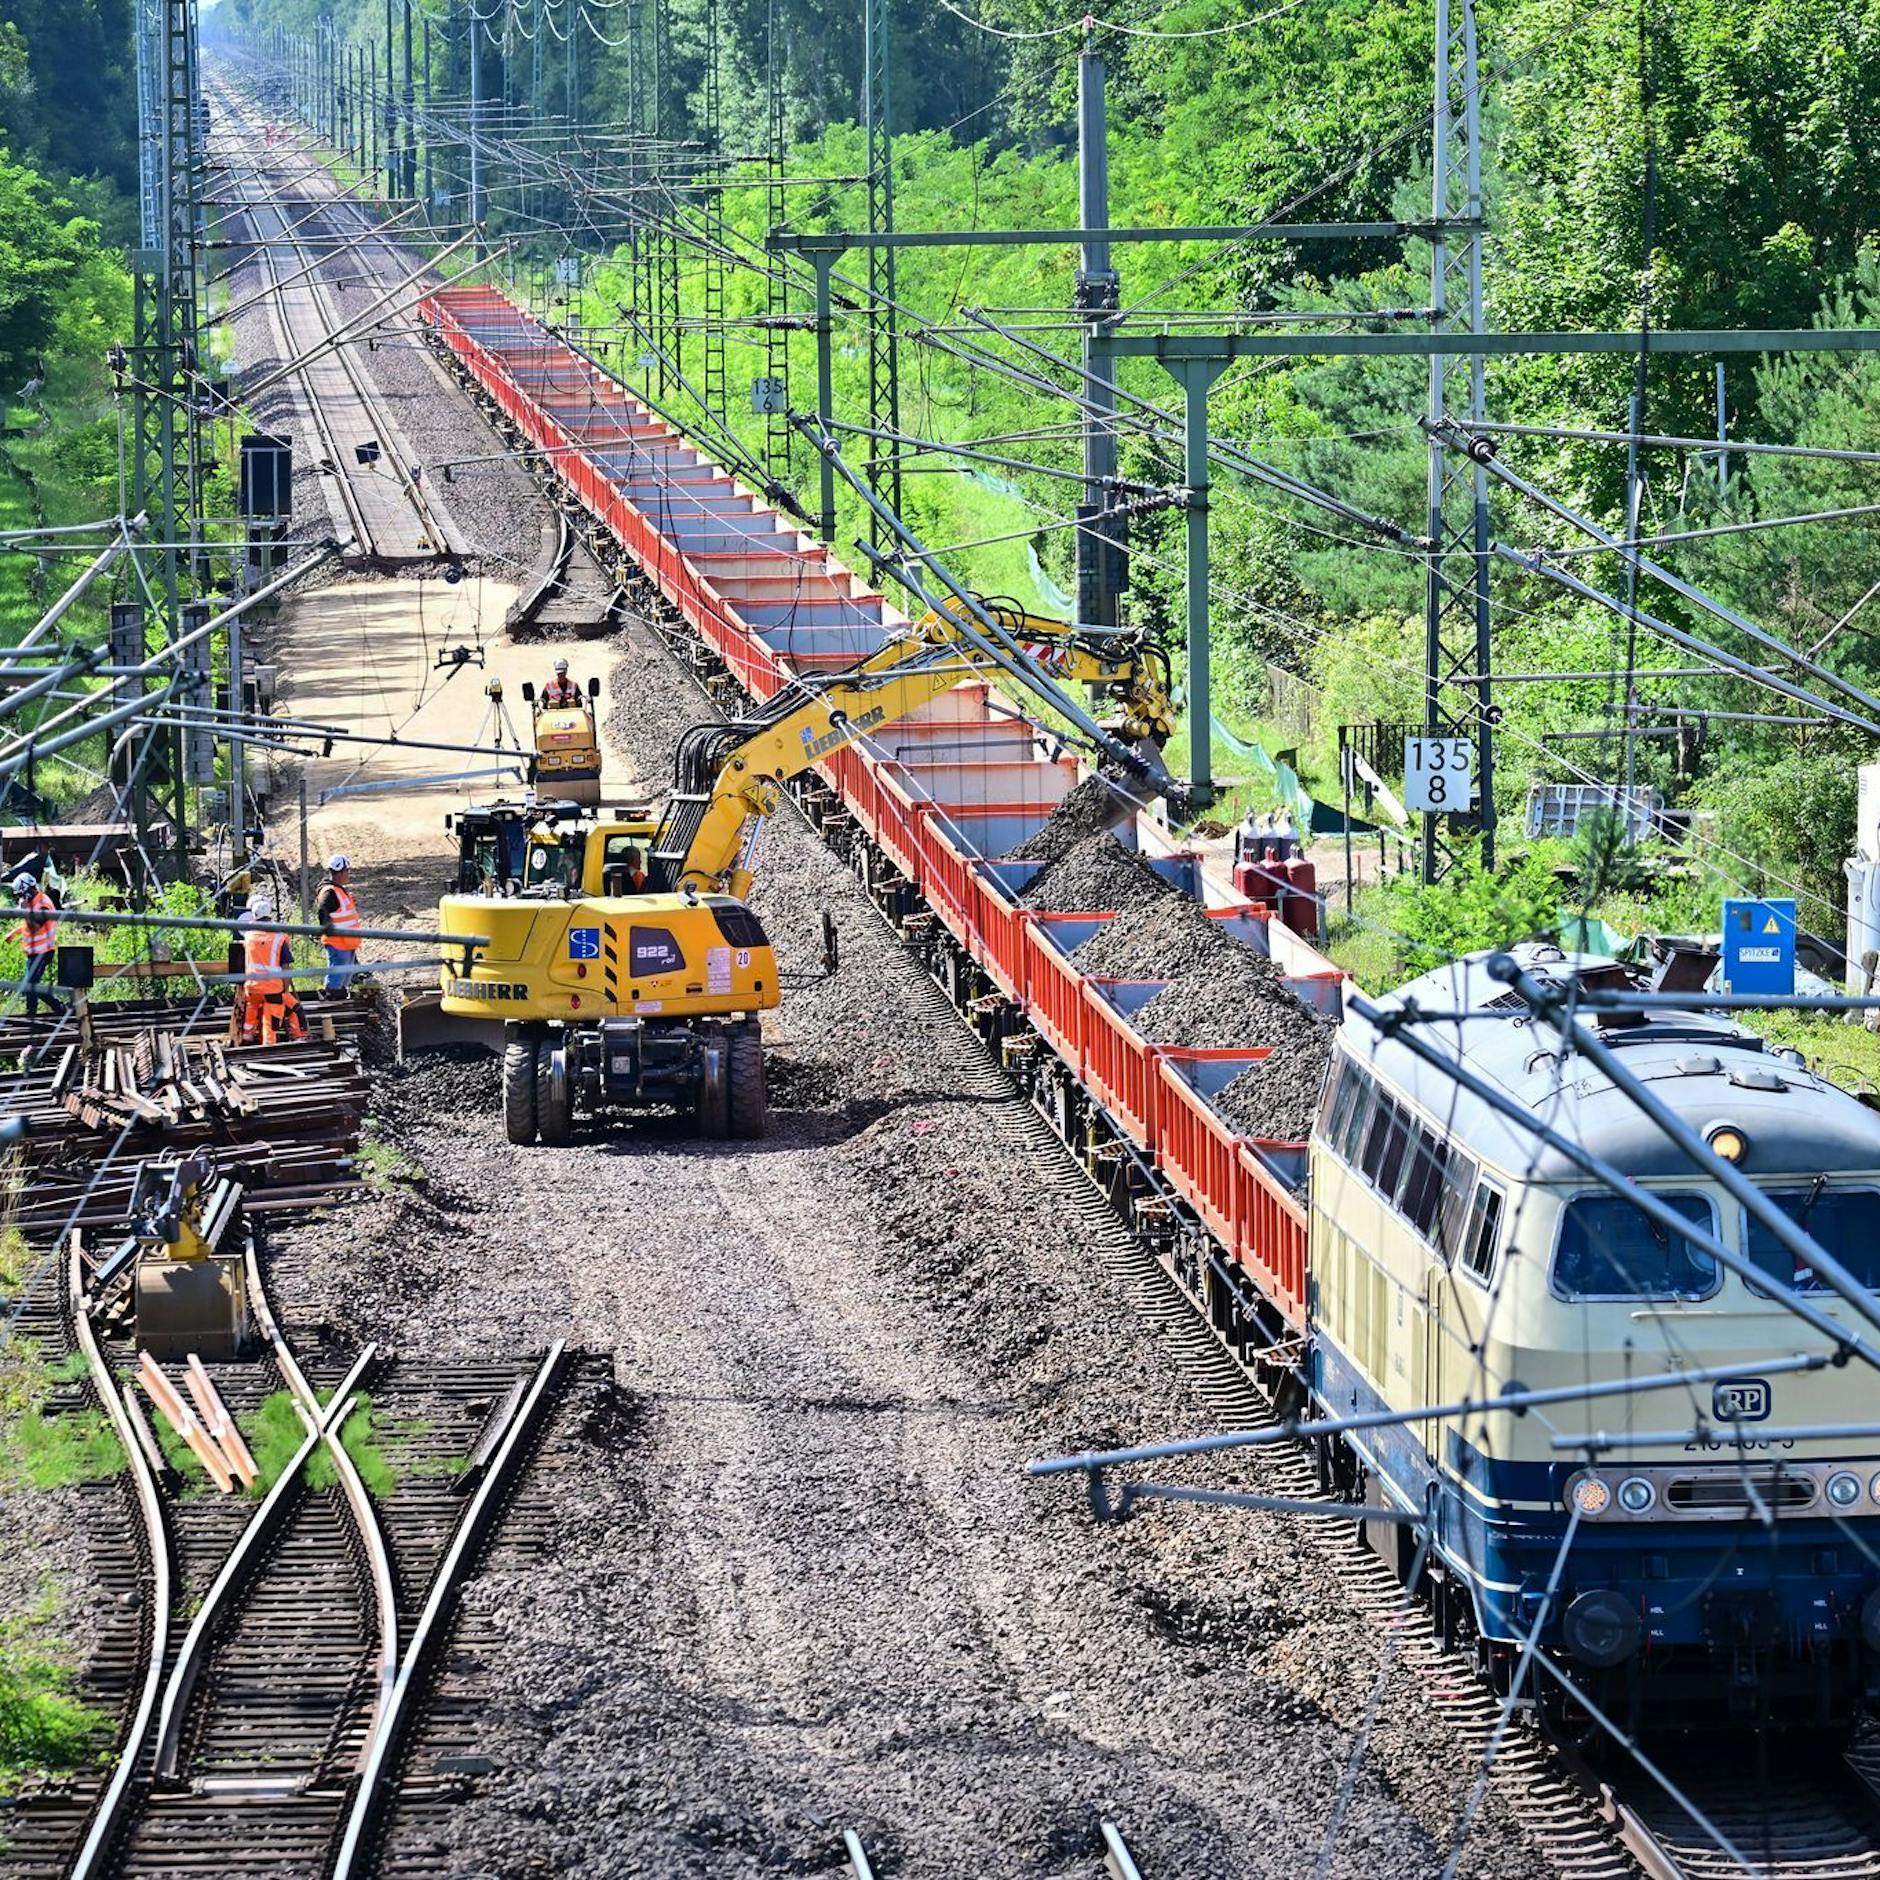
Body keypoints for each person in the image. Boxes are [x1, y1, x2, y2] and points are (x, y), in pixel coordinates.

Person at [242, 889, 307, 1045]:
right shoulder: (279, 938)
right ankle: (273, 1045)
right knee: (280, 1017)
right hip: (272, 989)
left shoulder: (249, 936)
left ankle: (247, 1037)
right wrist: (284, 988)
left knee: (252, 1010)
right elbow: (286, 966)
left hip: (251, 988)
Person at [8, 871, 63, 1019]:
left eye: (21, 893)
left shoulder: (43, 904)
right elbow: (28, 926)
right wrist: (15, 932)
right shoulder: (33, 902)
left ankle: (31, 1015)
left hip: (44, 951)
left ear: (27, 890)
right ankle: (59, 1007)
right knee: (32, 985)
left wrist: (24, 910)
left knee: (30, 985)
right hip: (34, 952)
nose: (20, 897)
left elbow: (35, 927)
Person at [314, 854, 362, 994]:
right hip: (338, 943)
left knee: (342, 981)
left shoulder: (337, 890)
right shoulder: (330, 892)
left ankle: (338, 998)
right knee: (336, 980)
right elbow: (323, 910)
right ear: (340, 872)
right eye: (347, 871)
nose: (348, 874)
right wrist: (327, 927)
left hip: (347, 942)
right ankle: (332, 1000)